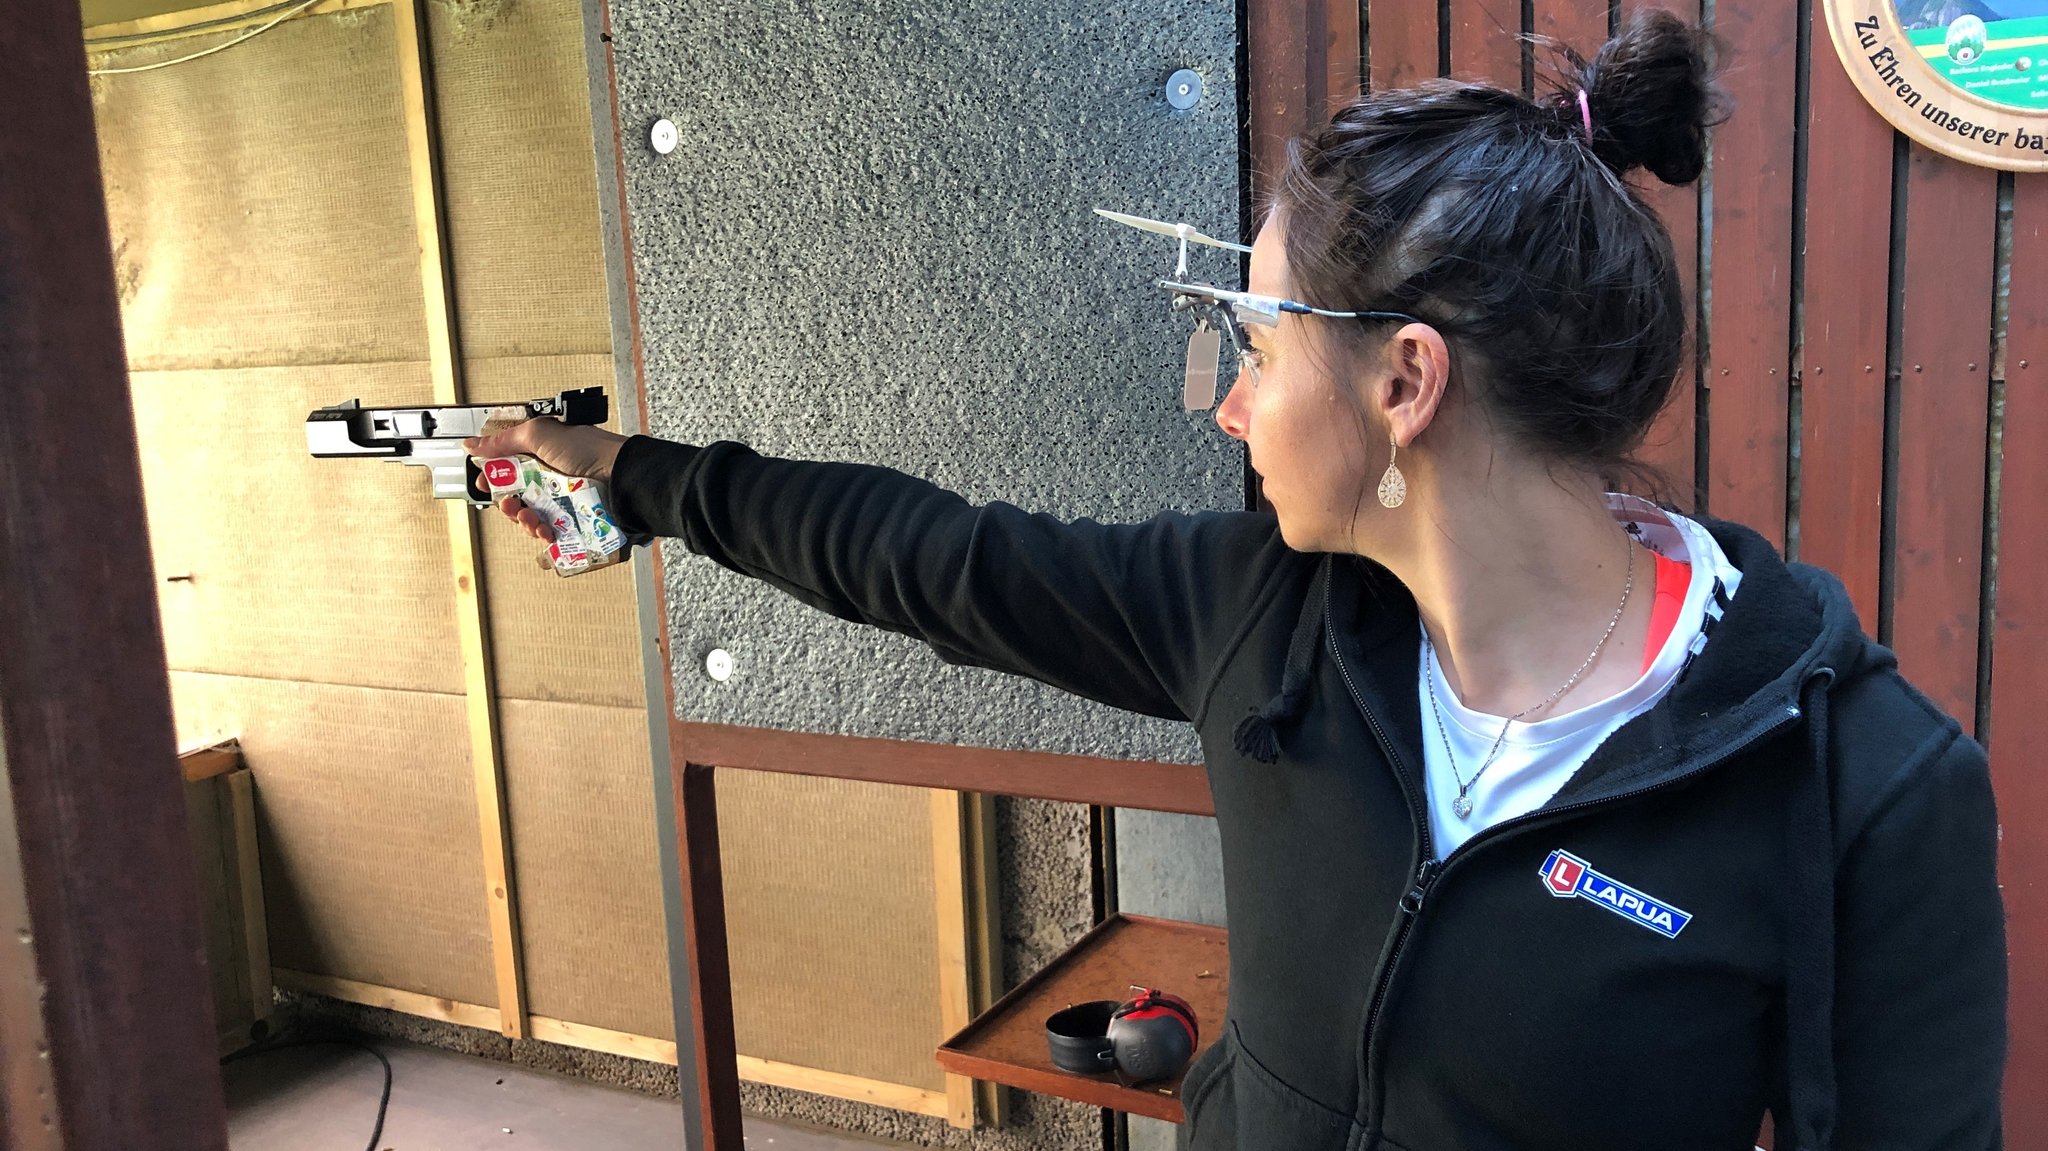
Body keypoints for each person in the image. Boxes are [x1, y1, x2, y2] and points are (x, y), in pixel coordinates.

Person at [466, 10, 2006, 1149]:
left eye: (1259, 348)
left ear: (1405, 380)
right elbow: (920, 557)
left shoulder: (1857, 785)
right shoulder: (1258, 614)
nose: (1230, 402)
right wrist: (628, 476)